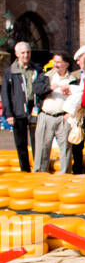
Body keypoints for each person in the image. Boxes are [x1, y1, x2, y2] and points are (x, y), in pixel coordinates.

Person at [34, 50, 76, 172]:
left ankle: (65, 175)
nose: (55, 64)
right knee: (43, 148)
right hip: (46, 116)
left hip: (64, 117)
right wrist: (51, 87)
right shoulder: (46, 76)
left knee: (65, 150)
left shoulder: (73, 79)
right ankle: (40, 174)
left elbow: (78, 98)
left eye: (59, 62)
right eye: (54, 61)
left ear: (66, 64)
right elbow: (37, 90)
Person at [1, 41, 38, 171]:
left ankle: (38, 168)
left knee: (37, 143)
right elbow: (5, 94)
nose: (26, 55)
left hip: (34, 111)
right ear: (16, 54)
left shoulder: (37, 69)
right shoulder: (10, 72)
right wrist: (9, 114)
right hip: (18, 111)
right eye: (22, 53)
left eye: (28, 52)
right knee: (21, 144)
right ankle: (25, 170)